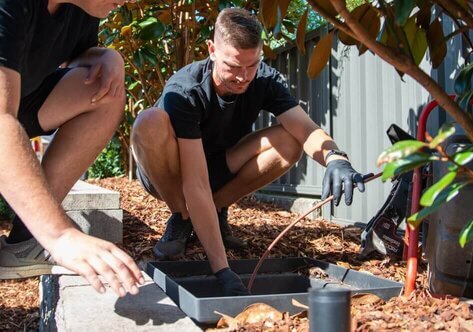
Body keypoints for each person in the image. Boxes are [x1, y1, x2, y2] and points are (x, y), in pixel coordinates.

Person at [131, 8, 365, 295]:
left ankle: (214, 210)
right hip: (172, 171)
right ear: (212, 49)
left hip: (219, 166)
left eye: (251, 66)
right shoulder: (186, 89)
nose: (243, 77)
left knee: (290, 140)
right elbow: (195, 182)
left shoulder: (264, 79)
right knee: (149, 122)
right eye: (233, 66)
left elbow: (304, 128)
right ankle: (182, 216)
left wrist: (335, 157)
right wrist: (222, 269)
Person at [0, 0, 144, 297]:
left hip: (20, 101)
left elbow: (74, 57)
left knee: (105, 88)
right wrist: (60, 233)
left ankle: (25, 243)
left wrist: (106, 56)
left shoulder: (82, 8)